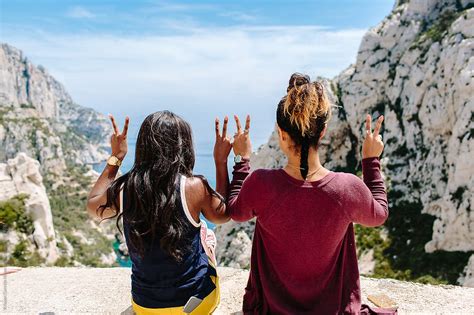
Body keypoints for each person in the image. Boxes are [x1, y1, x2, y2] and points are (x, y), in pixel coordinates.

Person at [224, 73, 389, 314]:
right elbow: (380, 214)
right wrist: (371, 160)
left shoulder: (261, 184)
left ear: (281, 133)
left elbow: (234, 211)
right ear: (322, 133)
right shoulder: (346, 188)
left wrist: (242, 159)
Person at [87, 110, 232, 314]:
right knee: (206, 233)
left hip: (145, 306)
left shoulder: (125, 188)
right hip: (194, 306)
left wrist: (116, 157)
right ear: (184, 147)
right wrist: (221, 161)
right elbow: (223, 215)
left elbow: (93, 206)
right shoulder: (194, 187)